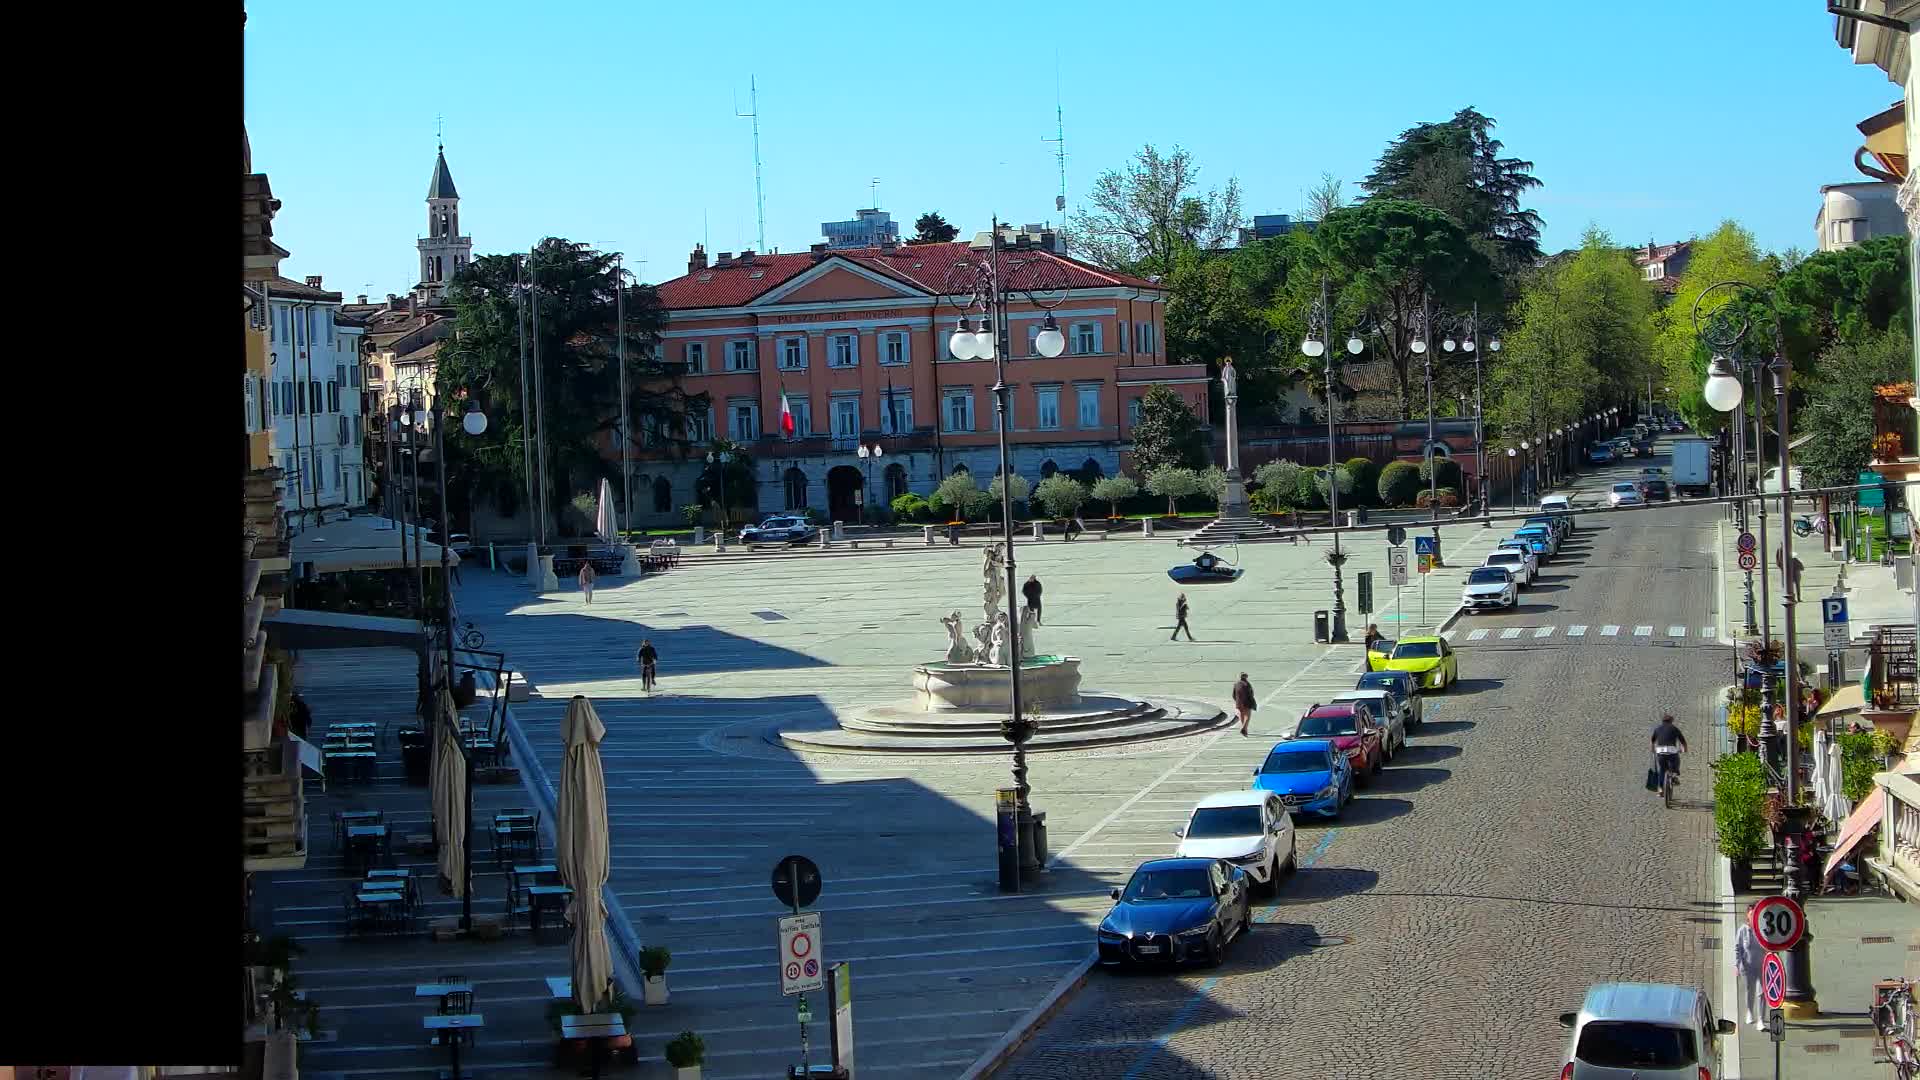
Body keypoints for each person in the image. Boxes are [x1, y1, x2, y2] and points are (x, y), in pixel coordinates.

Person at [1733, 901, 1764, 1027]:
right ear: (1747, 915)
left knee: (1761, 993)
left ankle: (1761, 1019)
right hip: (1747, 966)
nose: (1752, 917)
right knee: (1749, 990)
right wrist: (1736, 964)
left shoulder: (1763, 929)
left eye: (1755, 914)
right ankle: (1750, 1012)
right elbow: (1737, 948)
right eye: (1751, 914)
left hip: (1762, 966)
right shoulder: (1742, 930)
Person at [1650, 713, 1688, 794]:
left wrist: (1653, 750)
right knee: (1676, 761)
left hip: (1660, 751)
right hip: (1671, 751)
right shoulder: (1675, 729)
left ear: (1662, 721)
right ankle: (1674, 775)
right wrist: (1684, 750)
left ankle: (1660, 788)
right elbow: (1683, 741)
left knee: (1662, 770)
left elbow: (1652, 741)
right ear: (1671, 721)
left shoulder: (1657, 729)